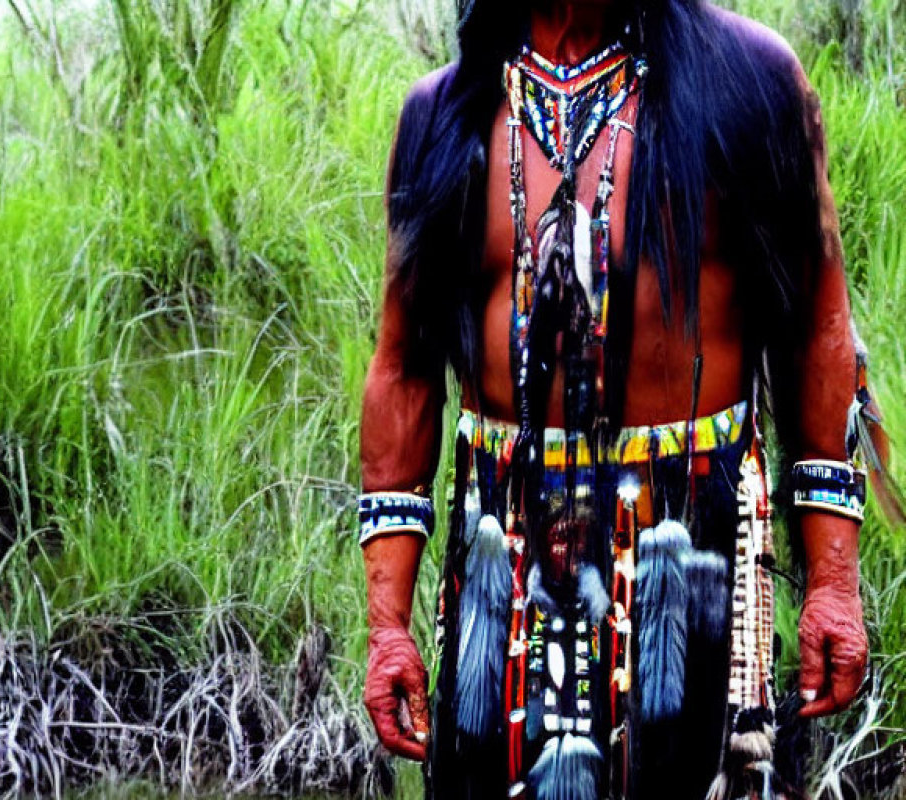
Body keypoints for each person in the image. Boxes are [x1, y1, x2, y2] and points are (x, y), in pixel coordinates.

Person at [358, 1, 874, 798]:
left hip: (695, 572)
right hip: (502, 590)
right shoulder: (443, 116)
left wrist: (835, 585)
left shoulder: (753, 82)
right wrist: (387, 627)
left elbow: (819, 329)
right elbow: (404, 370)